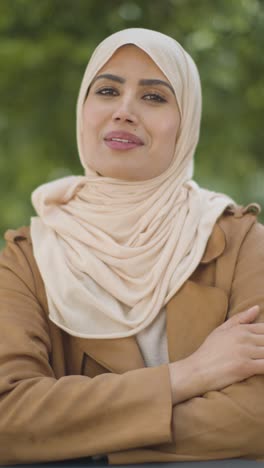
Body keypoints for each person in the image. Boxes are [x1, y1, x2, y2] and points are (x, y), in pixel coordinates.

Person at [0, 27, 264, 466]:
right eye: (107, 90)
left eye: (154, 97)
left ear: (187, 123)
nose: (124, 111)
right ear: (83, 109)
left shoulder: (240, 242)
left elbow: (257, 413)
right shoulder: (29, 258)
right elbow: (9, 417)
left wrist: (82, 440)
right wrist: (187, 376)